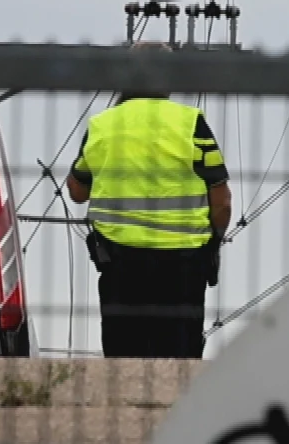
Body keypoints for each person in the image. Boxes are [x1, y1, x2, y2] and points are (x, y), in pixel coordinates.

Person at [66, 53, 230, 360]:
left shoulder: (102, 125)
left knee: (123, 362)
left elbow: (77, 191)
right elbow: (221, 198)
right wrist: (214, 241)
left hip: (119, 265)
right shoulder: (191, 123)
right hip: (183, 267)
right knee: (179, 363)